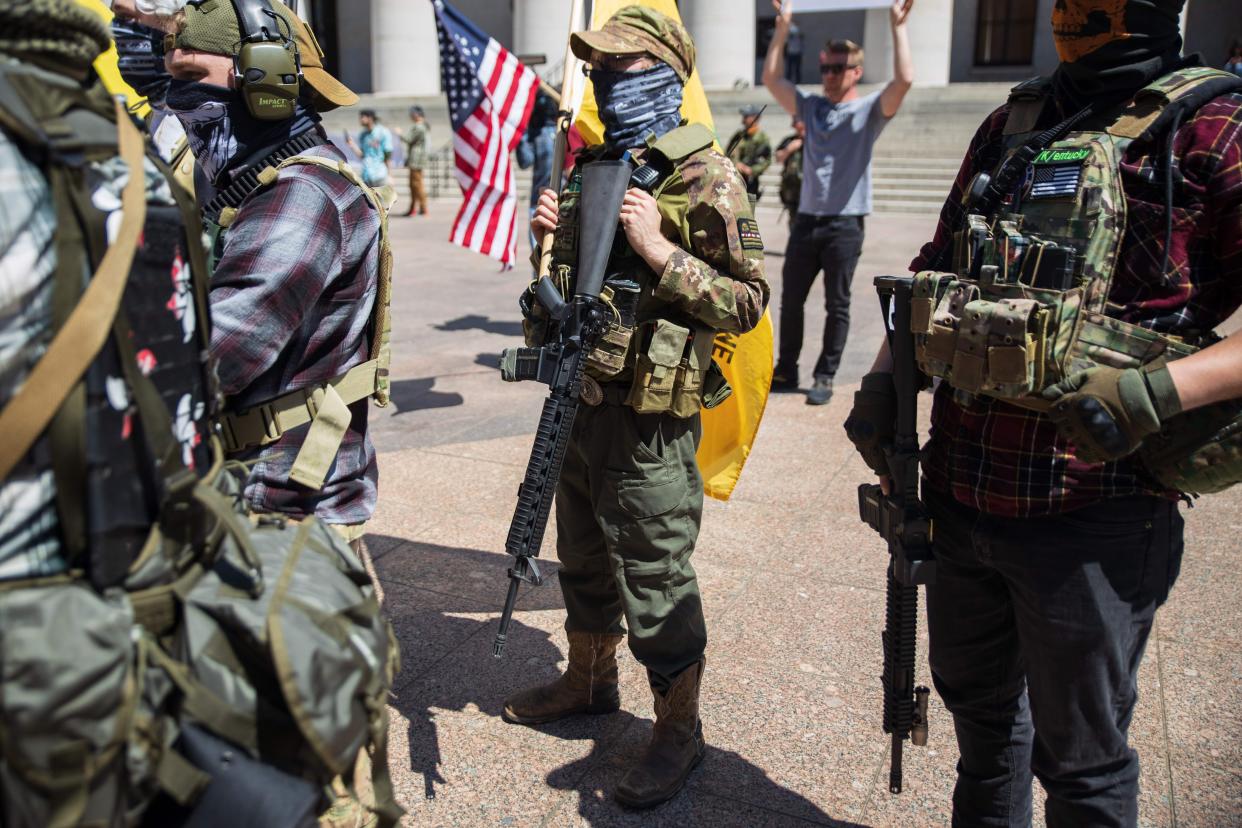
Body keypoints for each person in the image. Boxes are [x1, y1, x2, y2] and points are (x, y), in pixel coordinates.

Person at [845, 0, 1242, 823]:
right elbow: (933, 267)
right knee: (983, 735)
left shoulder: (1217, 124)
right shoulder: (1016, 117)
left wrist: (1155, 393)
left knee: (1083, 765)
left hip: (1096, 508)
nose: (1065, 11)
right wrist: (885, 380)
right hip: (959, 489)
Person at [501, 5, 769, 810]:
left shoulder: (705, 176)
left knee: (653, 576)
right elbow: (570, 297)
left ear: (667, 75)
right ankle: (589, 683)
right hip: (581, 403)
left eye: (623, 72)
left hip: (651, 422)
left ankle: (678, 732)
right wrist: (544, 242)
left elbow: (748, 304)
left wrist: (661, 250)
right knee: (581, 558)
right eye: (597, 73)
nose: (605, 87)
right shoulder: (591, 165)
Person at [763, 0, 914, 404]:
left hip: (845, 223)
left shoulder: (868, 111)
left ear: (856, 71)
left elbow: (903, 82)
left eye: (837, 68)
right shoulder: (812, 107)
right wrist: (783, 27)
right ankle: (787, 368)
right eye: (825, 67)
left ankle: (825, 375)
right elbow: (773, 78)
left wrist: (897, 27)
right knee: (791, 300)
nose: (828, 76)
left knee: (838, 304)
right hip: (807, 219)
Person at [725, 103, 772, 199]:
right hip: (735, 180)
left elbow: (767, 160)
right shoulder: (738, 135)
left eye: (746, 116)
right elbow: (727, 153)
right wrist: (736, 164)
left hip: (750, 182)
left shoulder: (762, 138)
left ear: (755, 118)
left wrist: (751, 170)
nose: (743, 120)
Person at [347, 108, 394, 187]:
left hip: (380, 175)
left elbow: (388, 154)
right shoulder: (363, 135)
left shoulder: (382, 132)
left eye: (362, 117)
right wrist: (352, 145)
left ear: (370, 118)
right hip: (367, 176)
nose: (360, 120)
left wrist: (390, 175)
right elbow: (363, 156)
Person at [775, 116, 805, 220]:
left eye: (796, 121)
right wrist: (789, 149)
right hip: (792, 188)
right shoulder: (789, 140)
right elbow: (778, 158)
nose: (793, 124)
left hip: (809, 188)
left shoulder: (815, 140)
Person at [402, 104, 429, 216]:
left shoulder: (419, 126)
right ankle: (417, 207)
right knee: (415, 184)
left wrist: (399, 133)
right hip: (417, 158)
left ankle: (421, 207)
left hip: (416, 158)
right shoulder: (422, 126)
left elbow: (408, 138)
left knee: (416, 184)